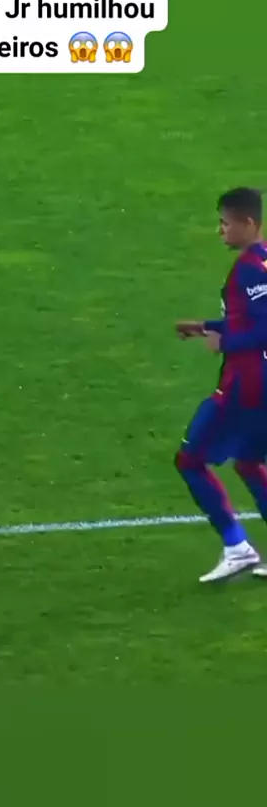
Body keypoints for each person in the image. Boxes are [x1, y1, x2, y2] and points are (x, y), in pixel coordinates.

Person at [175, 187, 267, 582]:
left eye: (225, 223)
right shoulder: (262, 261)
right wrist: (205, 326)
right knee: (248, 463)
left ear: (248, 222)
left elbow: (263, 329)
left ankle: (236, 546)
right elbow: (250, 320)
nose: (220, 230)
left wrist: (223, 341)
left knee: (189, 460)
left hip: (244, 386)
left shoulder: (249, 269)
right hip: (260, 382)